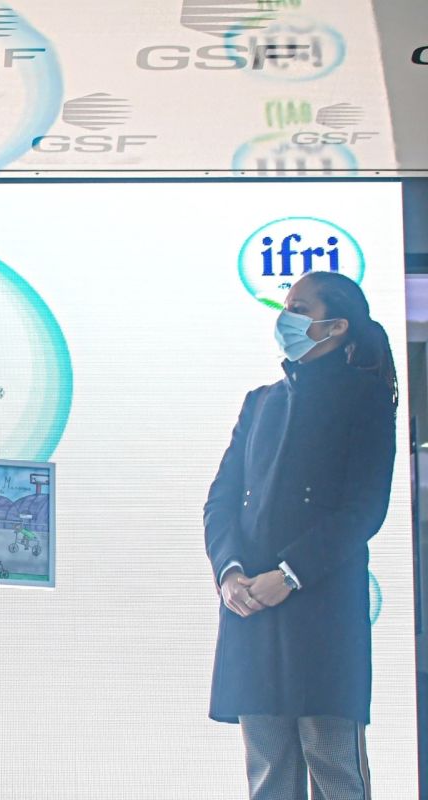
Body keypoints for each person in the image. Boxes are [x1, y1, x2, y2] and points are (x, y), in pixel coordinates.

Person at [204, 271, 397, 799]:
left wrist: (289, 573)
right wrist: (231, 573)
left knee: (332, 765)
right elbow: (221, 500)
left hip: (322, 610)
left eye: (299, 308)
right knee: (268, 769)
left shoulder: (365, 398)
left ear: (336, 326)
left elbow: (363, 509)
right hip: (251, 609)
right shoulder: (260, 401)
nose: (285, 318)